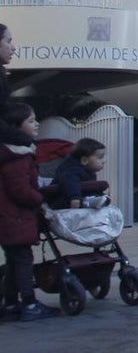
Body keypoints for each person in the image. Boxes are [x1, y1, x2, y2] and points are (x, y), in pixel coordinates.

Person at [0, 102, 60, 321]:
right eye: (31, 121)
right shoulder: (18, 155)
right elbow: (20, 190)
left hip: (9, 218)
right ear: (16, 126)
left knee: (14, 260)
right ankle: (29, 303)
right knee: (23, 259)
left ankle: (10, 304)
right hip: (16, 217)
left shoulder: (8, 153)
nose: (36, 124)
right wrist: (39, 199)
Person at [47, 137, 107, 208]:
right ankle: (90, 201)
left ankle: (94, 199)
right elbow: (70, 183)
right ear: (84, 160)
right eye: (100, 157)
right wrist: (75, 197)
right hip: (60, 199)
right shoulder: (71, 170)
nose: (104, 161)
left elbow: (88, 187)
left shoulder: (89, 172)